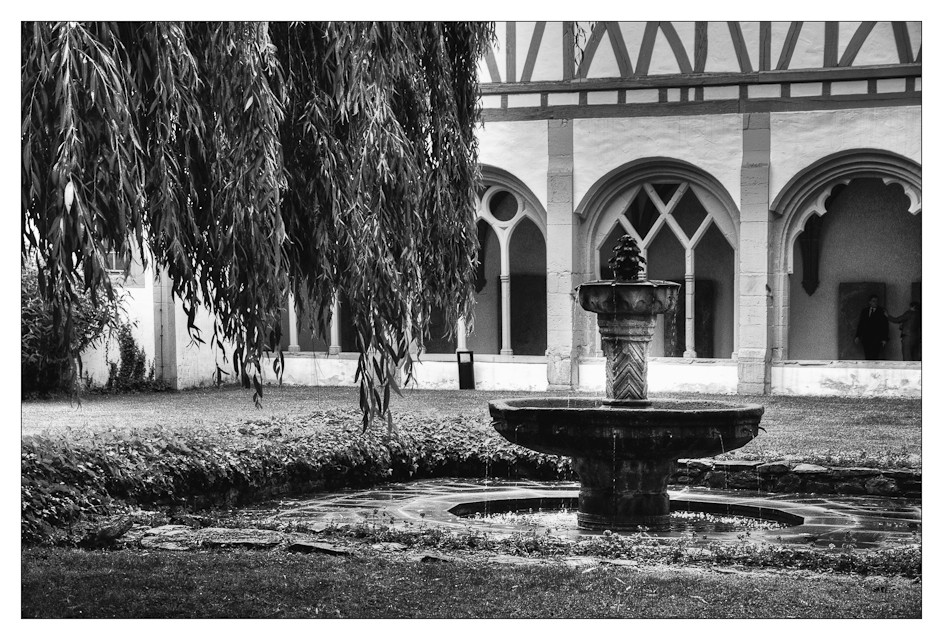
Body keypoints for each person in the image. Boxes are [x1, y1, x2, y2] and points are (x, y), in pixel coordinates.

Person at [854, 295, 889, 360]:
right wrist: (858, 336)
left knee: (875, 357)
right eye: (873, 301)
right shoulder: (865, 311)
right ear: (869, 302)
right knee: (867, 357)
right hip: (866, 338)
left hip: (877, 339)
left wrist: (884, 339)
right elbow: (861, 324)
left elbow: (885, 326)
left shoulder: (881, 311)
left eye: (876, 301)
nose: (875, 302)